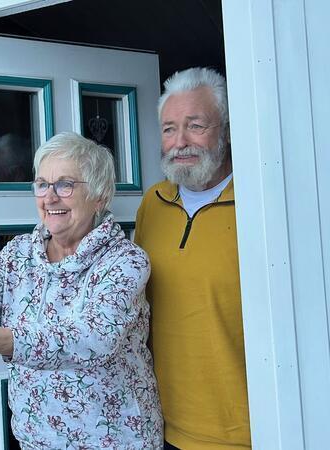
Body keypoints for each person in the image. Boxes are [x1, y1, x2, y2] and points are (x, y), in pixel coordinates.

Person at [0, 132, 163, 449]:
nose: (50, 197)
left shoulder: (125, 261)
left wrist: (5, 340)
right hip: (36, 439)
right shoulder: (20, 253)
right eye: (42, 184)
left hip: (115, 440)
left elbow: (94, 338)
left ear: (100, 196)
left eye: (65, 184)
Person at [134, 67, 249, 449]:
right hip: (161, 427)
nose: (180, 141)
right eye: (169, 129)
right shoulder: (153, 203)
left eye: (195, 125)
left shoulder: (261, 204)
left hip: (249, 432)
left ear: (227, 131)